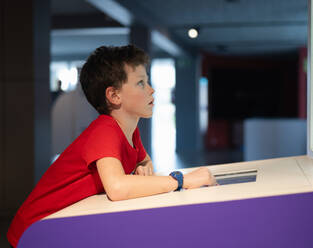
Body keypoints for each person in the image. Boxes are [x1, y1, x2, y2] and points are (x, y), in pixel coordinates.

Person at [7, 45, 217, 247]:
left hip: (63, 227)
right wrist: (182, 180)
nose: (152, 90)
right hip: (34, 233)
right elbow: (117, 188)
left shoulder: (129, 130)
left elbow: (144, 161)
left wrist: (140, 167)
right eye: (141, 83)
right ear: (114, 96)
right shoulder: (104, 130)